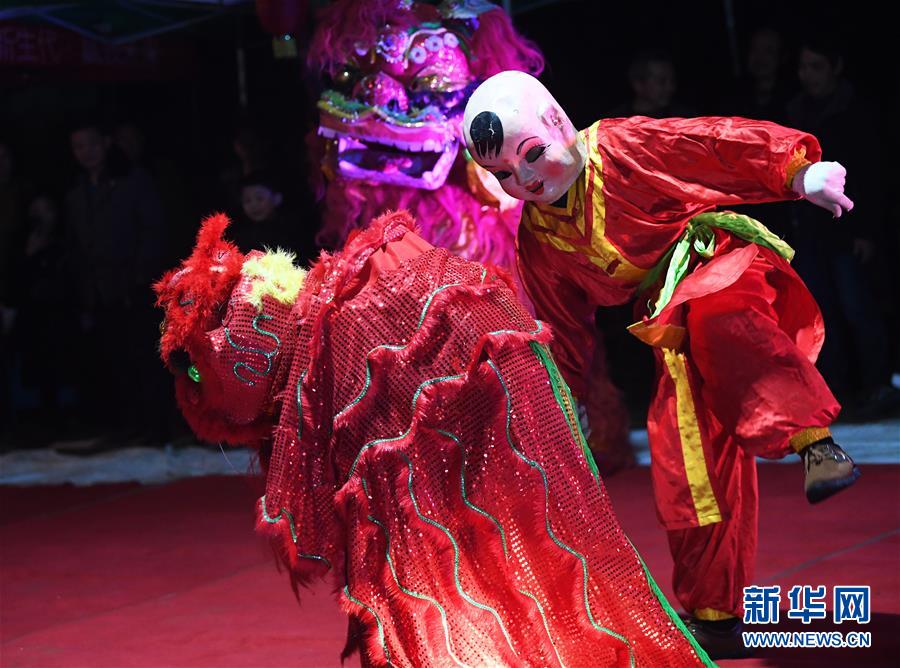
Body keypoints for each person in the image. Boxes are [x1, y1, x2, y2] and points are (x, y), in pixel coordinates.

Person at [154, 210, 713, 667]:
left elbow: (244, 383)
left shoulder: (293, 342)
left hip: (433, 358)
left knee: (438, 551)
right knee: (483, 535)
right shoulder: (301, 311)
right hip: (445, 336)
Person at [462, 70, 859, 659]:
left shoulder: (620, 148)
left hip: (718, 266)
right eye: (503, 175)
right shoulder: (540, 238)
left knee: (723, 325)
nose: (524, 179)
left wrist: (797, 173)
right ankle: (716, 613)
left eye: (532, 156)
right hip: (664, 322)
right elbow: (562, 327)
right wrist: (567, 400)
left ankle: (814, 443)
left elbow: (712, 145)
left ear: (557, 124)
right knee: (685, 460)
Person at [786, 36, 899, 417]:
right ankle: (834, 391)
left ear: (835, 68)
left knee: (858, 308)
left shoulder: (856, 112)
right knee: (820, 312)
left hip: (848, 231)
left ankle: (877, 384)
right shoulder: (796, 111)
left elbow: (872, 176)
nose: (808, 75)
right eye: (803, 67)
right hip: (810, 230)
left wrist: (866, 231)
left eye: (816, 66)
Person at [65, 119, 169, 439]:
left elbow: (152, 230)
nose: (87, 152)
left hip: (133, 284)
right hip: (98, 288)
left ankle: (154, 426)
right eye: (79, 147)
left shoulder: (133, 181)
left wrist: (139, 275)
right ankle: (126, 424)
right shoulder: (77, 191)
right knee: (114, 357)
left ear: (106, 143)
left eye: (92, 144)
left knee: (143, 355)